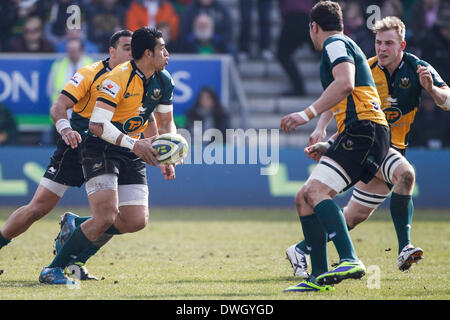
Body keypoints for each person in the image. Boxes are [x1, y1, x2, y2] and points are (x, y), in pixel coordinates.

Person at [286, 16, 450, 279]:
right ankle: (405, 247)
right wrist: (322, 127)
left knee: (352, 217)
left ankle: (300, 249)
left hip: (389, 146)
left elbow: (447, 99)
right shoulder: (366, 67)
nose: (381, 48)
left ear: (402, 45)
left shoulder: (418, 68)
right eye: (378, 42)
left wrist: (431, 89)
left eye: (388, 43)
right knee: (406, 174)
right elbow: (338, 92)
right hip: (375, 146)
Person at [39, 27, 177, 285]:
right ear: (148, 53)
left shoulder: (164, 79)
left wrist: (166, 154)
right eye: (162, 49)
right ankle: (54, 269)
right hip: (100, 146)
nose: (167, 54)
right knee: (105, 217)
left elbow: (166, 121)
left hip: (131, 147)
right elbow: (97, 125)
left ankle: (76, 226)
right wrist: (135, 145)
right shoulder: (116, 78)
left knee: (136, 221)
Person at [0, 30, 140, 282]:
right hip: (77, 146)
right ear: (112, 51)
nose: (133, 53)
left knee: (111, 214)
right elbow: (59, 107)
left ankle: (75, 262)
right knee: (38, 208)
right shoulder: (89, 73)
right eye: (127, 47)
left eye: (135, 48)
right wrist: (65, 129)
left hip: (110, 150)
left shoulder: (138, 78)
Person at [280, 1, 391, 293]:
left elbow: (345, 84)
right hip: (360, 132)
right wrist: (325, 135)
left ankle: (350, 259)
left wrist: (306, 115)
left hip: (364, 131)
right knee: (304, 197)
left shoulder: (334, 44)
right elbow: (340, 92)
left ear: (313, 27)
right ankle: (318, 276)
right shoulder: (342, 44)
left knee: (316, 192)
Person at [276, 0, 315, 97]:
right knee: (322, 51)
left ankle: (299, 88)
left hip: (293, 17)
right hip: (308, 17)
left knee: (282, 55)